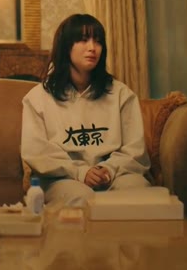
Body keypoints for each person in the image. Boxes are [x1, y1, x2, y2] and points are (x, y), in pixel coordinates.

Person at [21, 14, 151, 206]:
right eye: (83, 40)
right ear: (66, 46)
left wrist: (108, 169)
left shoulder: (121, 94)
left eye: (98, 41)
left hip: (114, 175)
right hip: (62, 179)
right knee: (81, 198)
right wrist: (81, 172)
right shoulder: (38, 98)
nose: (92, 48)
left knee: (140, 190)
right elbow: (37, 152)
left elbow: (135, 150)